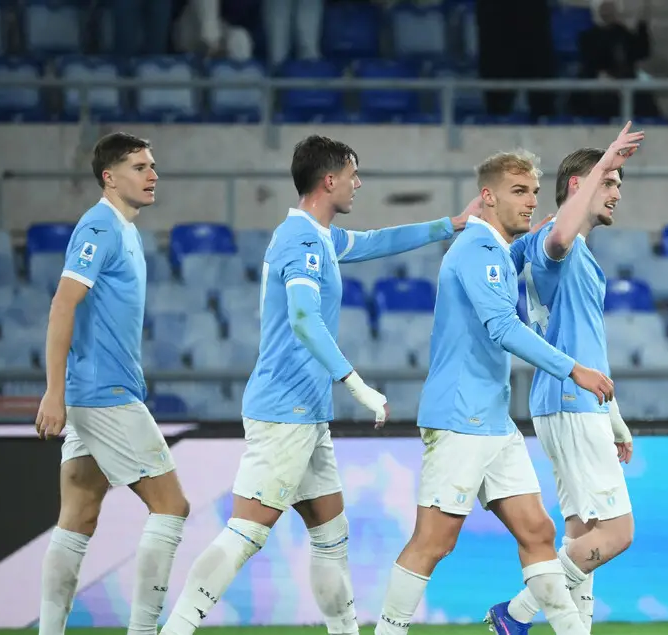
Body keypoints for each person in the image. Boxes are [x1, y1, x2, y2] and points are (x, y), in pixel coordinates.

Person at [159, 135, 472, 635]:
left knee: (331, 535)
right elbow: (303, 319)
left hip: (306, 413)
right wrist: (356, 384)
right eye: (352, 175)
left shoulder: (320, 236)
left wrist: (449, 224)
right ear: (329, 181)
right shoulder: (301, 240)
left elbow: (377, 242)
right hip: (284, 410)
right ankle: (175, 629)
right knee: (246, 532)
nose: (358, 183)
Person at [372, 143, 638, 635]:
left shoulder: (498, 249)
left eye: (534, 191)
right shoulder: (480, 250)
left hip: (495, 419)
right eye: (519, 191)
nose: (531, 201)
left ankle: (526, 622)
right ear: (489, 197)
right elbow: (503, 324)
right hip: (461, 417)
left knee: (539, 531)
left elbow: (538, 243)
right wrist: (573, 370)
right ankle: (393, 630)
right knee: (434, 542)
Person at [486, 124, 644, 635]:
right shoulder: (559, 240)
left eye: (617, 183)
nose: (616, 192)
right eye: (609, 181)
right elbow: (557, 238)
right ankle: (516, 613)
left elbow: (587, 345)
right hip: (571, 403)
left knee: (583, 534)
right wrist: (606, 158)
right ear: (579, 185)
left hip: (567, 402)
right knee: (617, 533)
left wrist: (614, 418)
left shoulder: (570, 248)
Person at [35, 132, 190, 635]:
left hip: (94, 392)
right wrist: (53, 391)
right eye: (140, 167)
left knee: (78, 515)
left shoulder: (123, 228)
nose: (153, 175)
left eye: (153, 166)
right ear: (109, 177)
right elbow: (63, 304)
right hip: (105, 394)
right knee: (171, 507)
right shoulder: (100, 226)